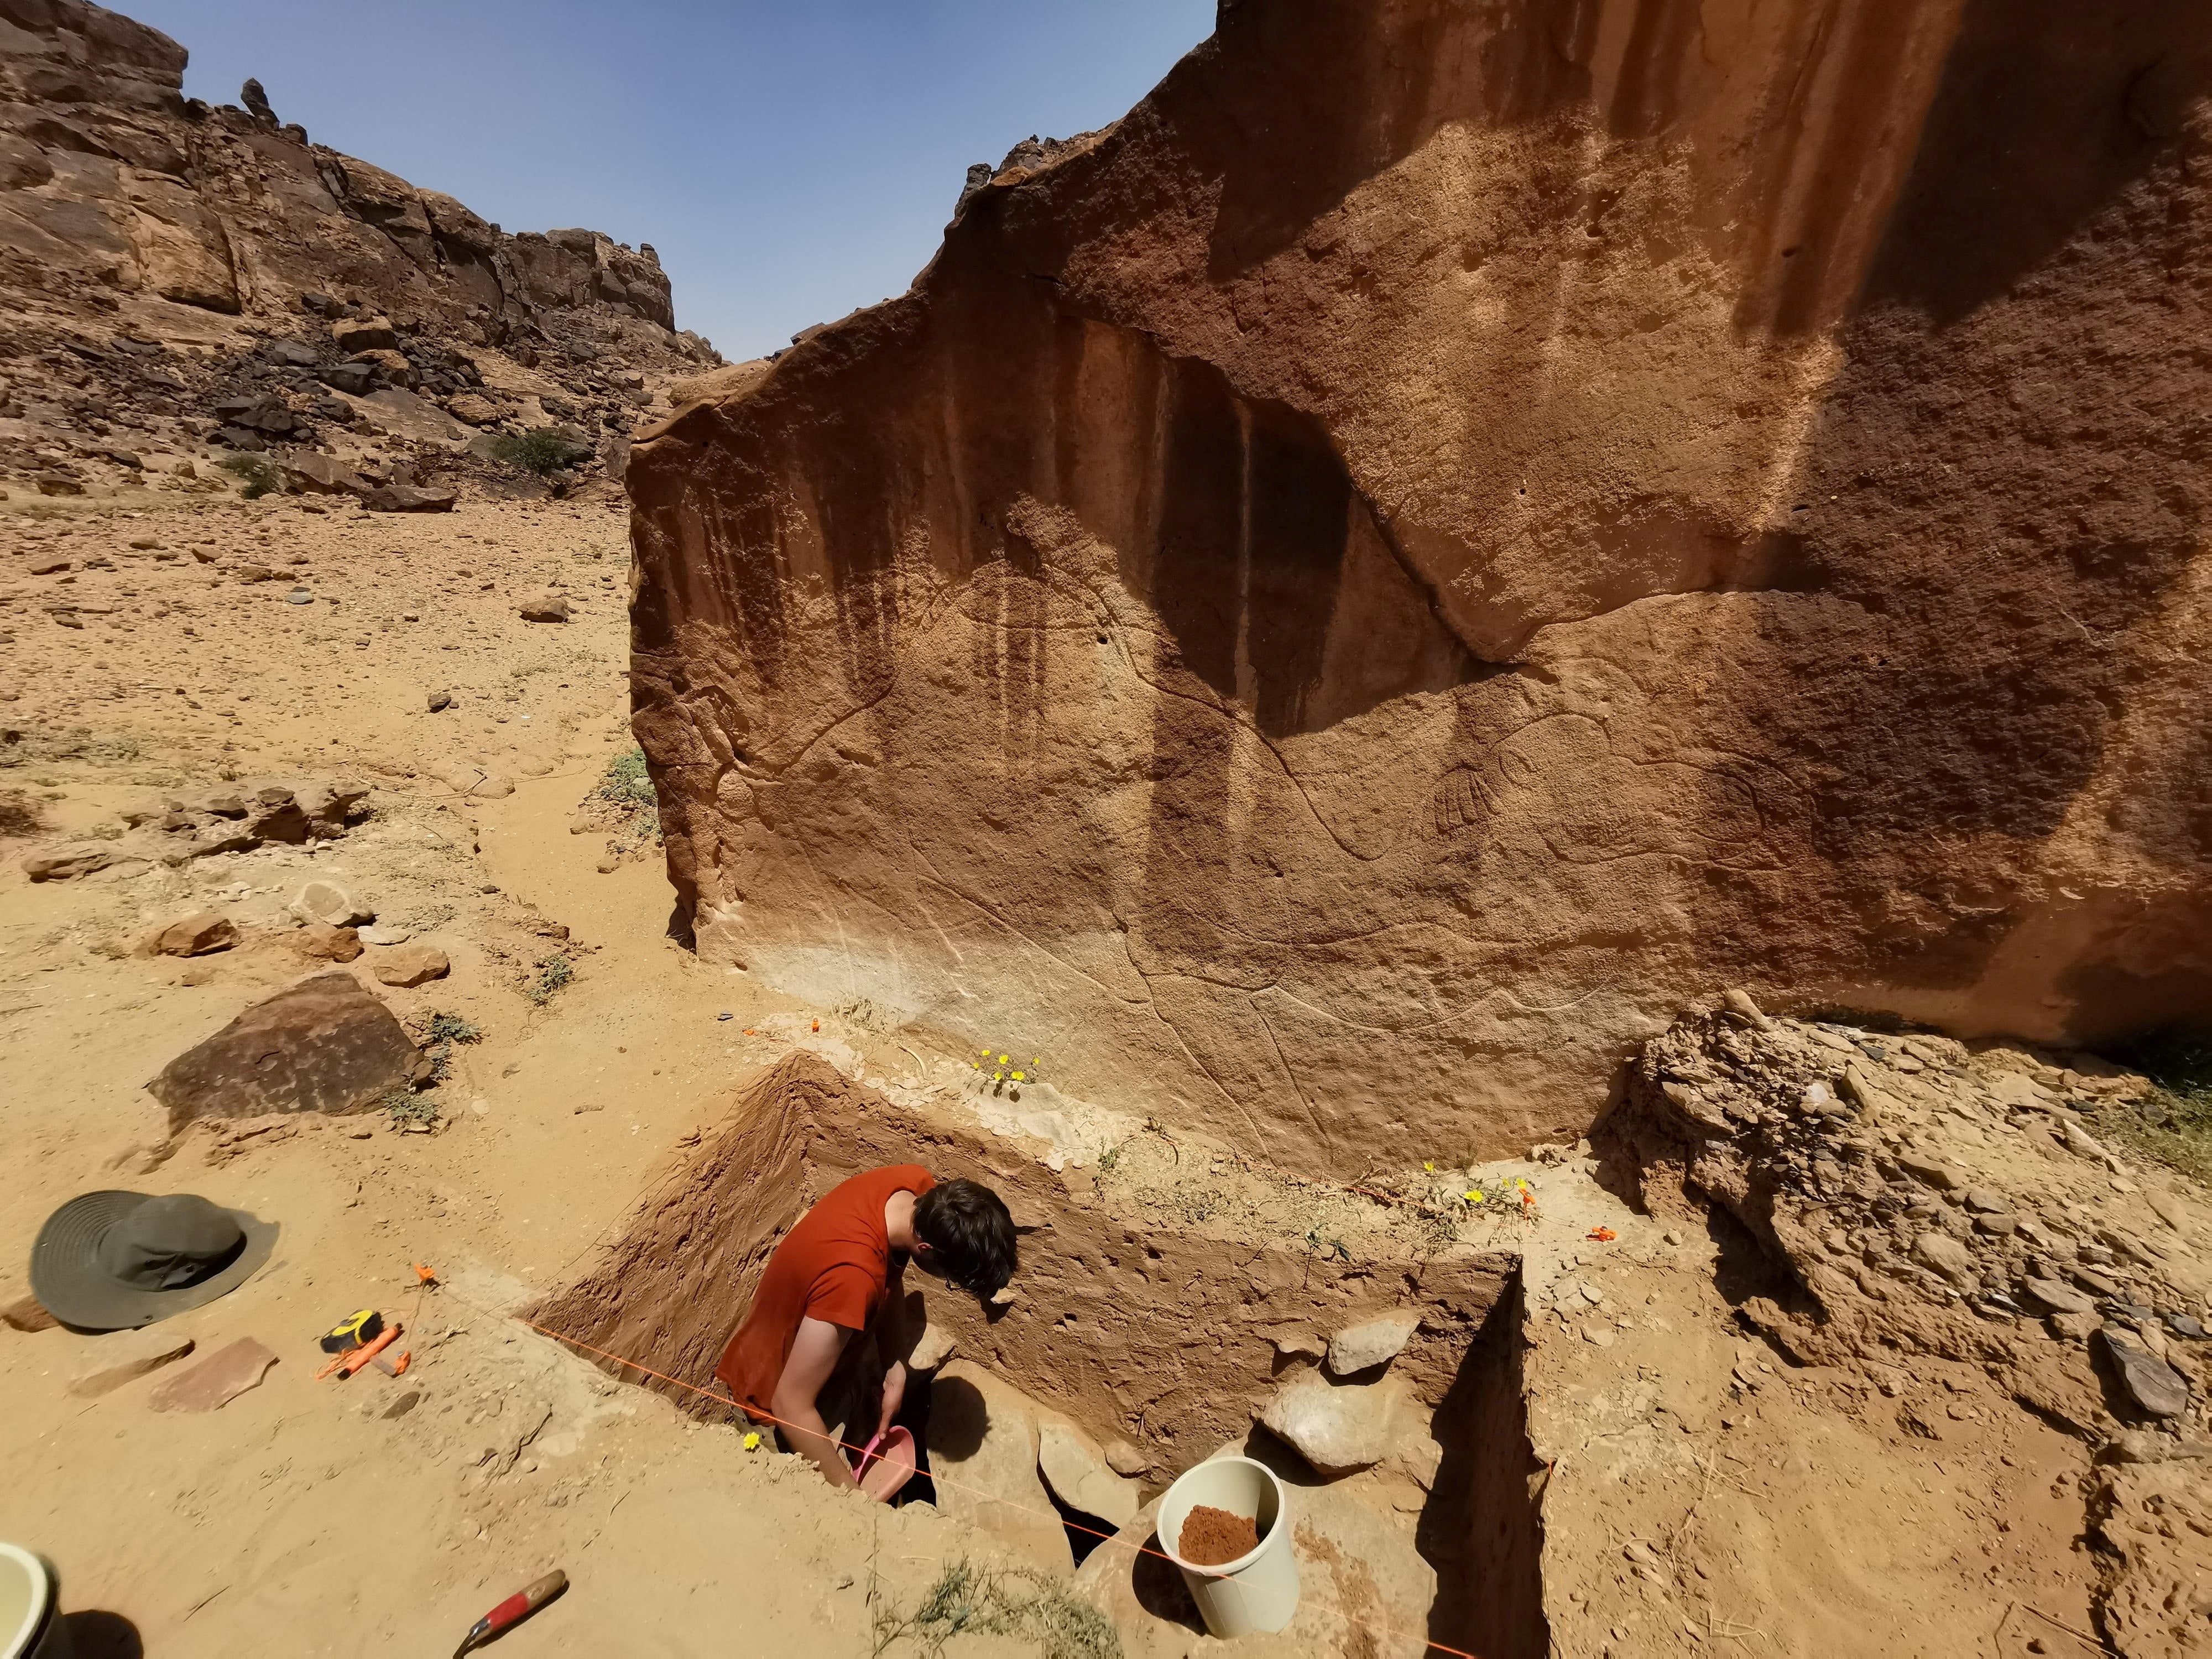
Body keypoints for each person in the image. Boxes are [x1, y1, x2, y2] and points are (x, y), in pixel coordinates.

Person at [714, 1165, 1017, 1494]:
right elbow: (791, 1405)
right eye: (949, 1279)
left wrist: (896, 1365)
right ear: (926, 1249)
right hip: (772, 1405)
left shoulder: (914, 1191)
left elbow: (891, 1275)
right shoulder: (852, 1279)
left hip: (823, 1374)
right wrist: (852, 1502)